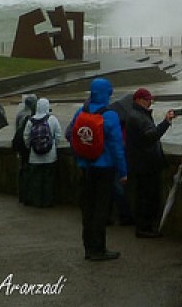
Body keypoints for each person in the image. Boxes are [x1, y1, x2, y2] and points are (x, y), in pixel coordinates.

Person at [67, 77, 127, 261]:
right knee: (101, 209)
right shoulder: (109, 115)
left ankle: (88, 248)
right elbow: (118, 147)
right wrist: (123, 171)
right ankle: (98, 250)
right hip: (105, 168)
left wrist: (81, 156)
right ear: (107, 93)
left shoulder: (81, 111)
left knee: (88, 209)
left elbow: (70, 134)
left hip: (86, 167)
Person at [124, 87, 176, 238]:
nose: (150, 102)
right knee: (146, 198)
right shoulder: (137, 117)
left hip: (145, 164)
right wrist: (166, 122)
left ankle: (146, 227)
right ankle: (144, 228)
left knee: (146, 197)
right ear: (139, 100)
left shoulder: (138, 115)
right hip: (144, 166)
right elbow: (150, 137)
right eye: (148, 99)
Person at [21, 98, 62, 207]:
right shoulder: (52, 119)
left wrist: (30, 147)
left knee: (36, 180)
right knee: (48, 180)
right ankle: (47, 201)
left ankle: (37, 201)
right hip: (50, 156)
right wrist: (54, 147)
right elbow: (58, 135)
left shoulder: (31, 120)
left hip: (34, 157)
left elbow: (26, 137)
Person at [106, 92, 136, 225]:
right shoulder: (122, 126)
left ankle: (107, 216)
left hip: (103, 161)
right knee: (118, 188)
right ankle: (125, 216)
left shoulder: (106, 119)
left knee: (109, 189)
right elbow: (120, 147)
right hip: (116, 161)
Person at [11, 94, 38, 203]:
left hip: (20, 146)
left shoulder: (19, 114)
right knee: (29, 171)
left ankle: (22, 194)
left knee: (22, 170)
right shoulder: (32, 116)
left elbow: (17, 130)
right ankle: (29, 195)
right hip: (28, 147)